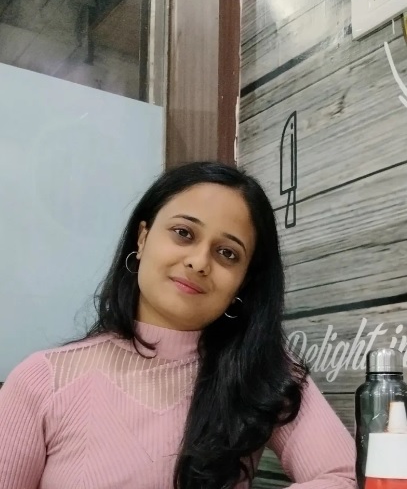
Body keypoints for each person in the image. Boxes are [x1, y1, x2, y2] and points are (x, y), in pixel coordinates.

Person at [0, 161, 356, 489]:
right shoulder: (42, 382)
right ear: (143, 238)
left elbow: (342, 477)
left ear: (243, 282)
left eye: (227, 253)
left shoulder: (260, 372)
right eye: (184, 233)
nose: (199, 262)